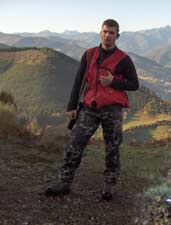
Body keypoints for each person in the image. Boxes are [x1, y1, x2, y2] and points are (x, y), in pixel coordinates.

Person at [45, 19, 139, 201]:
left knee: (112, 148)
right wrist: (71, 106)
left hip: (112, 110)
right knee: (75, 144)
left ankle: (109, 187)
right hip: (89, 107)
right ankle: (64, 183)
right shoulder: (89, 55)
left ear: (117, 36)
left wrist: (114, 82)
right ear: (100, 33)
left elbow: (134, 84)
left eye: (112, 33)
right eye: (105, 31)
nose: (108, 35)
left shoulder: (124, 59)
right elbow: (79, 80)